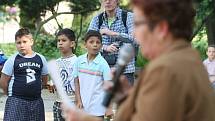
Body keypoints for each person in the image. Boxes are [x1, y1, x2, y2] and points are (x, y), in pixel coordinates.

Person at [64, 0, 215, 121]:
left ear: (161, 29)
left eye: (138, 24)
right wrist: (126, 97)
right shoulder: (189, 59)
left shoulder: (164, 69)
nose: (135, 33)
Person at [0, 28, 49, 121]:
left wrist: (38, 88)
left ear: (31, 42)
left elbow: (44, 78)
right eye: (18, 43)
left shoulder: (40, 58)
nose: (22, 45)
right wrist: (10, 95)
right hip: (16, 100)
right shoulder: (13, 60)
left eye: (24, 42)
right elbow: (3, 81)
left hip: (36, 100)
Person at [88, 0, 136, 85]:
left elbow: (135, 39)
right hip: (103, 70)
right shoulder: (96, 20)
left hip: (125, 71)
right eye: (104, 0)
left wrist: (111, 33)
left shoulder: (128, 17)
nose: (107, 2)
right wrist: (105, 48)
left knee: (127, 98)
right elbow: (89, 42)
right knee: (104, 98)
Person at [73, 30, 111, 118]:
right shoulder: (79, 61)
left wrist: (109, 107)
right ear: (85, 44)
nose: (95, 45)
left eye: (98, 42)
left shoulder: (103, 64)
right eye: (91, 42)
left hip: (97, 109)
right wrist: (78, 100)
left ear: (101, 46)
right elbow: (76, 81)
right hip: (82, 107)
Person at [51, 28, 78, 121]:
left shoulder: (77, 61)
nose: (60, 43)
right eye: (58, 41)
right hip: (58, 102)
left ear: (72, 44)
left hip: (73, 102)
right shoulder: (57, 62)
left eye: (64, 40)